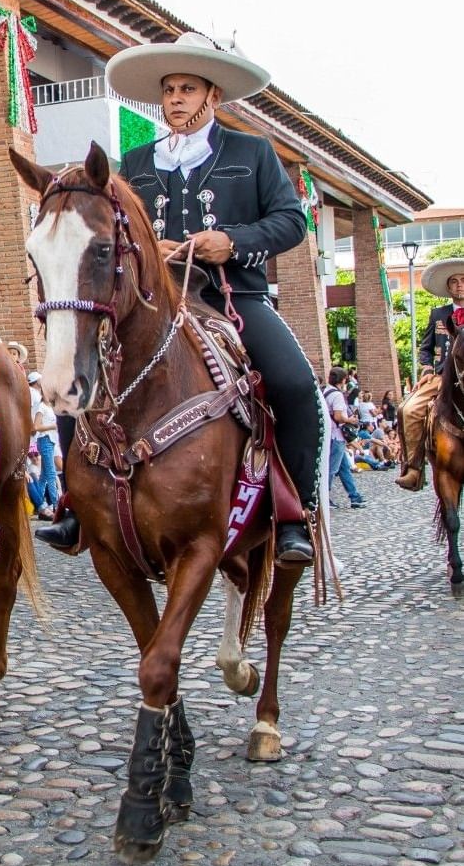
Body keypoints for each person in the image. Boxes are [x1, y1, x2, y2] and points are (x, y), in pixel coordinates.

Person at [38, 33, 320, 565]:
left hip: (231, 296)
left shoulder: (253, 152)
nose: (174, 99)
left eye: (187, 88)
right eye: (168, 90)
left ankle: (293, 514)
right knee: (71, 381)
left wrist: (232, 242)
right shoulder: (137, 161)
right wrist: (150, 250)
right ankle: (74, 505)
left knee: (293, 382)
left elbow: (291, 222)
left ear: (212, 96)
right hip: (152, 301)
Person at [396, 259, 464, 490]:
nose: (459, 285)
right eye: (454, 281)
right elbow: (425, 348)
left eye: (463, 280)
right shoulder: (438, 314)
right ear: (448, 287)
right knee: (407, 409)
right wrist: (426, 368)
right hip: (440, 378)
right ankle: (413, 468)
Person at [321, 367, 366, 509]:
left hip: (330, 434)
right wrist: (350, 420)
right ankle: (324, 498)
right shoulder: (337, 395)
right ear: (343, 379)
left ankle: (354, 496)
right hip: (337, 436)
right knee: (331, 470)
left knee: (344, 468)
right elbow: (338, 416)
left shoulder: (325, 391)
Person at [27, 372, 60, 519]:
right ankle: (55, 504)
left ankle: (39, 505)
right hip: (42, 439)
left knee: (45, 475)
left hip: (48, 440)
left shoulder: (49, 407)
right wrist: (52, 426)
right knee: (49, 474)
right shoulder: (39, 404)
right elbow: (36, 426)